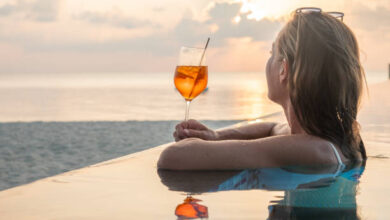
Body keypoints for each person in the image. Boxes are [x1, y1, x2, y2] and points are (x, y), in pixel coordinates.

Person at [157, 7, 367, 170]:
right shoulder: (323, 136)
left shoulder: (314, 151)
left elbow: (174, 157)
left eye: (271, 53)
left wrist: (204, 145)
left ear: (283, 69)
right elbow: (272, 128)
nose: (268, 62)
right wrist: (216, 137)